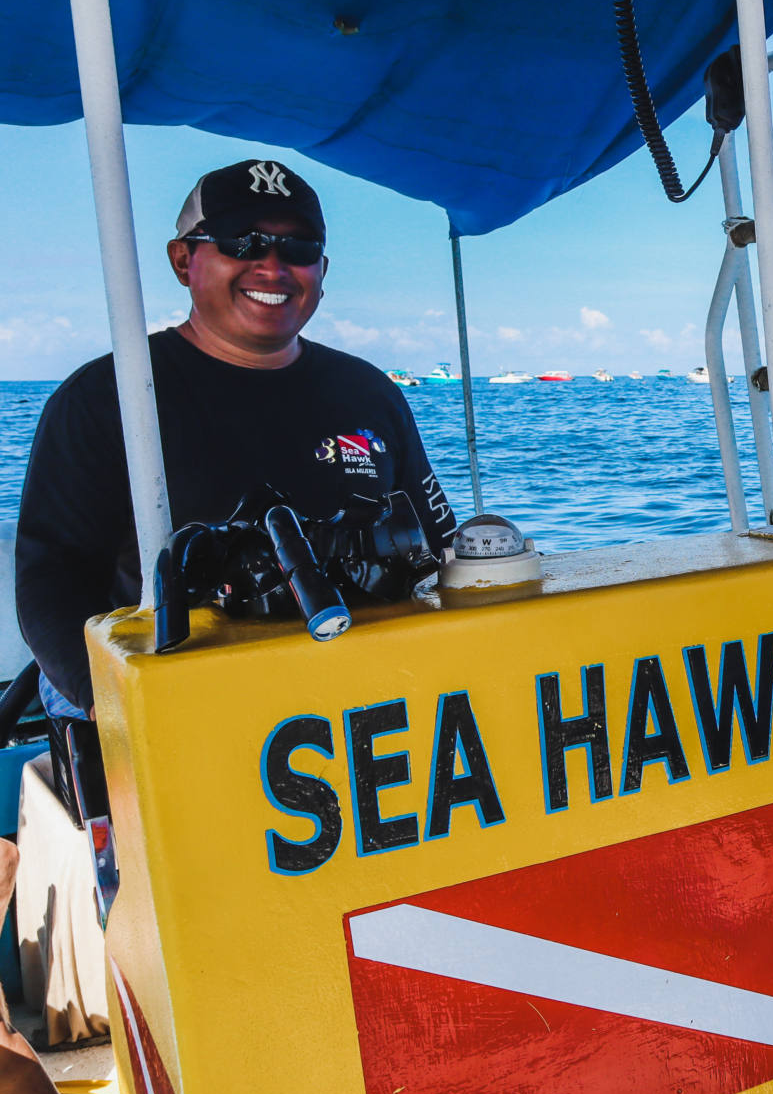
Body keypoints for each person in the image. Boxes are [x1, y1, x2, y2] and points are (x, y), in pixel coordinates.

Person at [13, 158, 458, 719]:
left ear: (322, 268)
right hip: (178, 692)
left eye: (297, 248)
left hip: (359, 684)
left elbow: (439, 545)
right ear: (183, 260)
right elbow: (51, 576)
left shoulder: (372, 392)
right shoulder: (104, 398)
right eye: (241, 242)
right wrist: (118, 708)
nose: (272, 266)